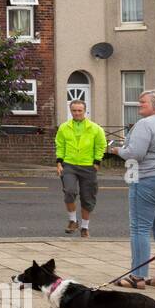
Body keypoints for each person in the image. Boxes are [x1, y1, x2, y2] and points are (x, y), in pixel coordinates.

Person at [108, 89, 155, 289]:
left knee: (140, 229)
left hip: (149, 179)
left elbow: (136, 154)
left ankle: (137, 276)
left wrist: (117, 150)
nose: (138, 104)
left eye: (143, 102)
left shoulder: (145, 124)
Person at [55, 99, 106, 237]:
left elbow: (101, 145)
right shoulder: (64, 127)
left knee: (87, 197)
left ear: (85, 111)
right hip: (69, 164)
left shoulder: (95, 128)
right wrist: (59, 162)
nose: (77, 113)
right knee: (69, 191)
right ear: (70, 111)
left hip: (88, 166)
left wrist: (96, 162)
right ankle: (72, 220)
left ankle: (84, 227)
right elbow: (60, 145)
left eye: (79, 110)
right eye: (74, 110)